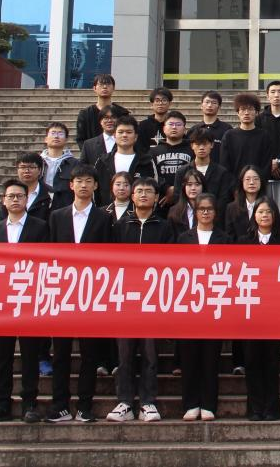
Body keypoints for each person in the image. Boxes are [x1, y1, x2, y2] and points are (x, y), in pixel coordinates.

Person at [48, 166, 114, 423]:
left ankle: (85, 406)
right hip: (62, 293)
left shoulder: (104, 218)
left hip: (92, 293)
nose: (84, 185)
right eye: (79, 181)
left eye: (88, 181)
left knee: (90, 354)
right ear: (71, 185)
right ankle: (60, 405)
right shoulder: (57, 217)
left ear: (96, 186)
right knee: (61, 354)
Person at [107, 178, 174, 423]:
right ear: (132, 196)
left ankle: (148, 402)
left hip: (152, 298)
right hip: (125, 298)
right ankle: (125, 402)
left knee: (149, 353)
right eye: (139, 191)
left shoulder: (165, 227)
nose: (144, 195)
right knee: (125, 354)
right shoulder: (119, 225)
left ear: (157, 197)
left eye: (149, 191)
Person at [0, 180, 50, 424]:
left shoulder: (40, 226)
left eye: (19, 196)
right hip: (4, 301)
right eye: (10, 196)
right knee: (3, 355)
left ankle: (29, 403)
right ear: (3, 200)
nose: (15, 200)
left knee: (30, 355)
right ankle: (1, 404)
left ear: (27, 199)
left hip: (30, 298)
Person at [175, 193, 230, 421]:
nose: (205, 212)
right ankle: (191, 403)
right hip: (189, 304)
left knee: (210, 358)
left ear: (215, 213)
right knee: (189, 358)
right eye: (201, 209)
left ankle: (208, 404)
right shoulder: (183, 239)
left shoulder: (224, 239)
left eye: (209, 209)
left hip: (214, 304)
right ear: (195, 212)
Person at [241, 198, 280, 421]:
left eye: (269, 211)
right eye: (260, 212)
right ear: (254, 216)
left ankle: (272, 408)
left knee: (271, 361)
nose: (265, 215)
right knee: (251, 360)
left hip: (275, 311)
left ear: (275, 215)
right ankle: (254, 407)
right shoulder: (243, 243)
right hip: (249, 310)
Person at [93, 115, 159, 206]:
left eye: (129, 132)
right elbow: (95, 191)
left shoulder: (146, 161)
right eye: (120, 132)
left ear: (136, 136)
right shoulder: (102, 161)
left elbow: (154, 189)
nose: (124, 135)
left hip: (137, 212)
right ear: (114, 135)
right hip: (106, 212)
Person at [221, 93, 273, 178]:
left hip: (258, 183)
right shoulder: (229, 136)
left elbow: (266, 165)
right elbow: (225, 164)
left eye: (250, 109)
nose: (246, 113)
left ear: (256, 113)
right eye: (243, 109)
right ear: (237, 112)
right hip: (234, 184)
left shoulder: (264, 136)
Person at [148, 110, 195, 204]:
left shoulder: (192, 150)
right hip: (160, 200)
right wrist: (167, 188)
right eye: (171, 124)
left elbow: (195, 173)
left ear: (184, 129)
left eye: (178, 124)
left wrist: (177, 188)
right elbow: (150, 173)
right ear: (164, 128)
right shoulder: (153, 151)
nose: (174, 127)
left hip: (186, 198)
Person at [187, 128, 235, 216]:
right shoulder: (183, 171)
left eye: (205, 144)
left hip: (214, 217)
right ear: (192, 146)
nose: (201, 148)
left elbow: (224, 199)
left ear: (212, 145)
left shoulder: (221, 172)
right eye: (198, 144)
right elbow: (178, 197)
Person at [0, 152, 53, 224]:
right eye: (23, 167)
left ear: (40, 170)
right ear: (17, 170)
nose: (27, 171)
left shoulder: (51, 193)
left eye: (31, 167)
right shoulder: (9, 192)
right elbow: (2, 219)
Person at [40, 121, 78, 211]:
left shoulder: (74, 163)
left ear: (66, 139)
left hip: (64, 207)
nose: (56, 137)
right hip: (40, 205)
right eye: (53, 133)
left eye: (60, 134)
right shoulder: (37, 161)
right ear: (46, 139)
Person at [79, 104, 126, 169]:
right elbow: (83, 167)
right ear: (100, 121)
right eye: (106, 118)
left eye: (113, 117)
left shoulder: (126, 142)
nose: (109, 121)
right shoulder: (89, 145)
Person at [192, 90, 232, 164]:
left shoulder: (227, 129)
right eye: (207, 102)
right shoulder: (194, 130)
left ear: (219, 107)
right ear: (201, 106)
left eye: (214, 103)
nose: (210, 105)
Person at [75, 73, 115, 144]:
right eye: (101, 84)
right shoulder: (85, 114)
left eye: (108, 84)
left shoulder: (121, 113)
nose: (105, 87)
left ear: (113, 88)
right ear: (94, 88)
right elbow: (81, 139)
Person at [136, 86, 173, 151]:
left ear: (170, 103)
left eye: (164, 100)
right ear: (152, 104)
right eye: (157, 100)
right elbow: (139, 147)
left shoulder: (173, 125)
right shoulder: (143, 125)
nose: (160, 103)